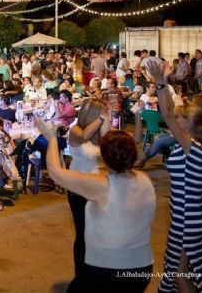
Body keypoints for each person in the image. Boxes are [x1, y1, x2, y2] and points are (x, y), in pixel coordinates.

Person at [37, 120, 155, 293]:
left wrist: (52, 139)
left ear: (105, 160)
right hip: (142, 268)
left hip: (108, 269)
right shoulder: (145, 180)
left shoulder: (103, 186)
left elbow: (56, 173)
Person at [147, 60, 202, 292]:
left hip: (188, 218)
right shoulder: (190, 146)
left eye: (180, 118)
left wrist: (159, 81)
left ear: (189, 123)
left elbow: (167, 114)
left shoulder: (191, 147)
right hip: (184, 215)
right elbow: (169, 111)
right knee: (180, 271)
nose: (175, 119)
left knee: (178, 274)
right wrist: (163, 82)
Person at [65, 98, 111, 288]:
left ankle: (94, 274)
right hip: (78, 187)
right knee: (83, 232)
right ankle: (81, 278)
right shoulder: (75, 130)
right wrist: (102, 119)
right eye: (99, 114)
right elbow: (84, 136)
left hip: (96, 187)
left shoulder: (97, 132)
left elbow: (108, 150)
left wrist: (106, 126)